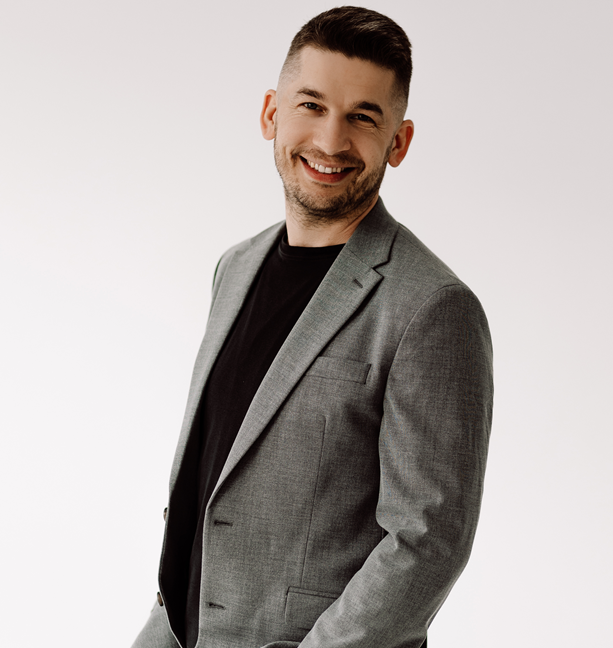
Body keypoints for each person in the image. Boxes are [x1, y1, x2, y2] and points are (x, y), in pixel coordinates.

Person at [132, 7, 493, 648]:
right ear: (271, 113)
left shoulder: (432, 307)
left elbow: (427, 540)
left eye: (363, 117)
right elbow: (208, 485)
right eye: (311, 105)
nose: (331, 141)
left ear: (399, 143)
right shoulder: (236, 267)